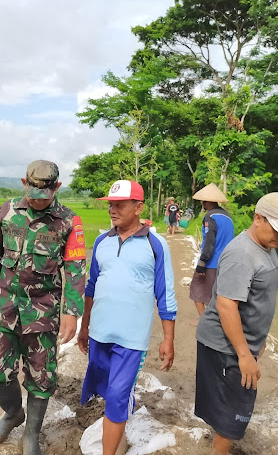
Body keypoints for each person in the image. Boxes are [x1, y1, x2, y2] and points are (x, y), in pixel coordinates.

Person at [0, 160, 86, 455]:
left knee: (41, 376)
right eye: (32, 192)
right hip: (5, 307)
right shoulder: (7, 211)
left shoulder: (69, 222)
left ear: (57, 188)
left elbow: (75, 270)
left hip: (43, 311)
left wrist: (72, 313)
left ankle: (32, 432)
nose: (37, 200)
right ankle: (12, 413)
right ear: (24, 182)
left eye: (44, 194)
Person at [194, 192, 278, 455]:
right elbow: (226, 305)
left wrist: (260, 339)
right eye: (277, 228)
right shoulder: (242, 254)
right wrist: (244, 354)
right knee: (235, 411)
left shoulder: (267, 247)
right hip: (225, 347)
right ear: (258, 219)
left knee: (233, 405)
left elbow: (258, 298)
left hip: (242, 343)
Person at [79, 180, 177, 455]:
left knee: (119, 395)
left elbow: (166, 295)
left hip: (131, 340)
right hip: (100, 333)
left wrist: (168, 339)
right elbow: (91, 287)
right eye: (110, 204)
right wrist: (84, 327)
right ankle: (119, 428)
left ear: (138, 207)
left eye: (119, 205)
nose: (113, 209)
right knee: (106, 391)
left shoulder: (155, 245)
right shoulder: (102, 242)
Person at [189, 183, 234, 325]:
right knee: (218, 293)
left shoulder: (210, 216)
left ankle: (205, 321)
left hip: (212, 262)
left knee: (197, 288)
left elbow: (209, 243)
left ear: (207, 201)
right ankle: (217, 321)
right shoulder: (228, 217)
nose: (202, 203)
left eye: (203, 201)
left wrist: (202, 264)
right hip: (226, 262)